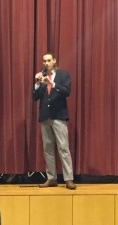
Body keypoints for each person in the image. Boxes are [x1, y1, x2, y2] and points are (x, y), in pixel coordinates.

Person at [32, 52, 76, 190]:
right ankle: (51, 178)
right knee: (48, 148)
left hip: (59, 116)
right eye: (44, 61)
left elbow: (66, 92)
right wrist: (37, 84)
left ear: (54, 61)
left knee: (63, 147)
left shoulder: (63, 75)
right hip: (45, 116)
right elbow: (35, 97)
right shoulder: (42, 77)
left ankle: (68, 179)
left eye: (49, 60)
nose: (46, 63)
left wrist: (52, 83)